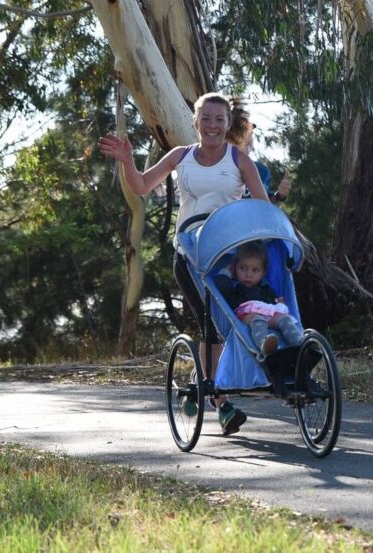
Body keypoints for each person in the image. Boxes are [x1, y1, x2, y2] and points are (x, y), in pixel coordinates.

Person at [97, 92, 269, 436]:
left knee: (238, 323)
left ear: (228, 124)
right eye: (205, 118)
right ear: (195, 121)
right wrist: (127, 160)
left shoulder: (239, 160)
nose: (212, 126)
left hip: (228, 256)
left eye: (219, 119)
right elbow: (142, 185)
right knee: (212, 329)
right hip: (190, 253)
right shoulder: (181, 156)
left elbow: (262, 206)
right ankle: (221, 404)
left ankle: (197, 380)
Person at [214, 241, 304, 358]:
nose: (248, 274)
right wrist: (227, 271)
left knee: (285, 319)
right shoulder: (235, 287)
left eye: (255, 270)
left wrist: (279, 304)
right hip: (246, 314)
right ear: (235, 268)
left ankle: (299, 342)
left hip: (268, 314)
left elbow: (272, 303)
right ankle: (264, 345)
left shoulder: (265, 288)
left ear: (263, 273)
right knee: (258, 320)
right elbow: (221, 285)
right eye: (242, 268)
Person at [225, 101, 292, 203]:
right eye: (242, 131)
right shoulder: (211, 166)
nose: (249, 137)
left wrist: (279, 196)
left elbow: (264, 204)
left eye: (250, 132)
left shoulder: (261, 171)